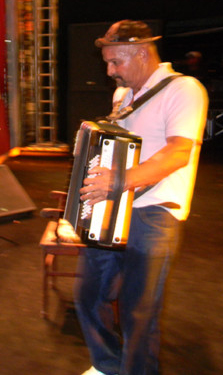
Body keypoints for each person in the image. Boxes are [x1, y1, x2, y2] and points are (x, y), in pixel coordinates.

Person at [76, 20, 208, 375]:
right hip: (114, 207)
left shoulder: (184, 89)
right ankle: (108, 365)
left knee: (139, 310)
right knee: (89, 295)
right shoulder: (123, 95)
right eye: (107, 62)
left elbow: (178, 153)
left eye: (115, 62)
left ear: (142, 53)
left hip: (154, 214)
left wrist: (118, 181)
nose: (109, 71)